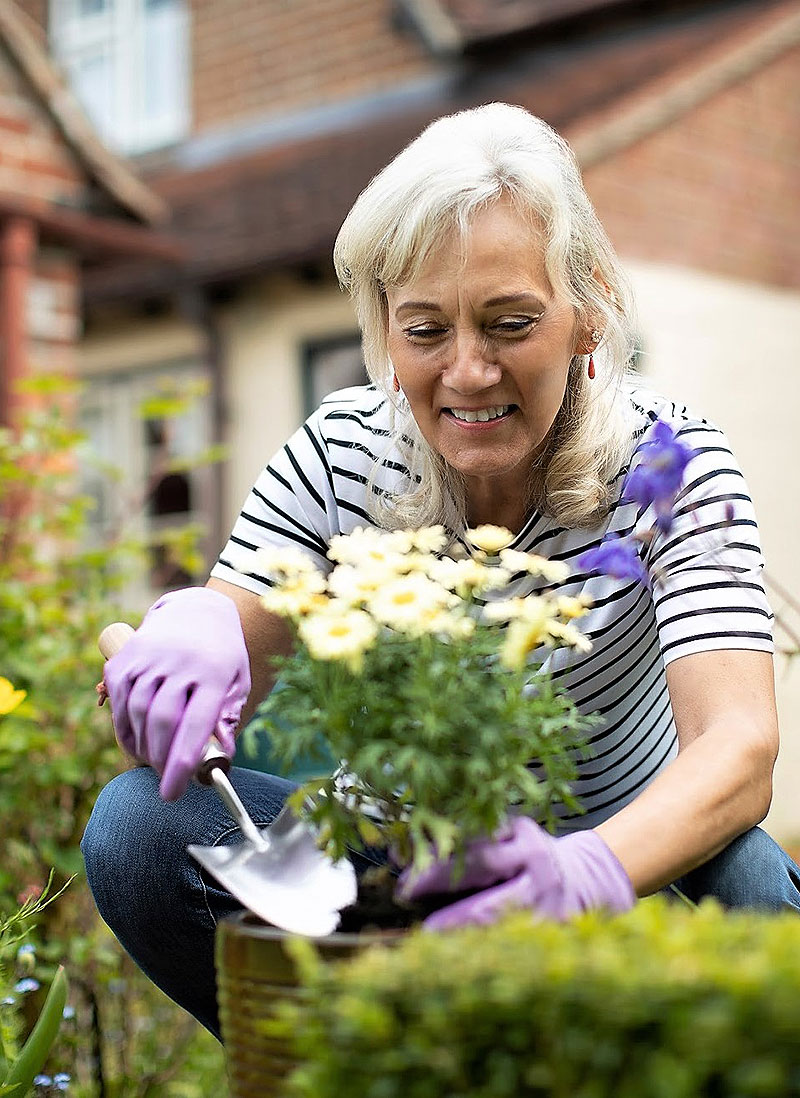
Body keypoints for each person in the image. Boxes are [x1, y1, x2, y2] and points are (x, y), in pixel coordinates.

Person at [82, 102, 800, 1038]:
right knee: (143, 828)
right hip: (399, 863)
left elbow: (738, 750)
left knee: (753, 886)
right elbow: (222, 690)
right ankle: (350, 1071)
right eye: (424, 331)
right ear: (384, 328)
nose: (466, 372)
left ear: (586, 313)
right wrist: (192, 635)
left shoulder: (669, 464)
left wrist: (588, 874)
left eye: (509, 324)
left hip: (628, 864)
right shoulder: (341, 452)